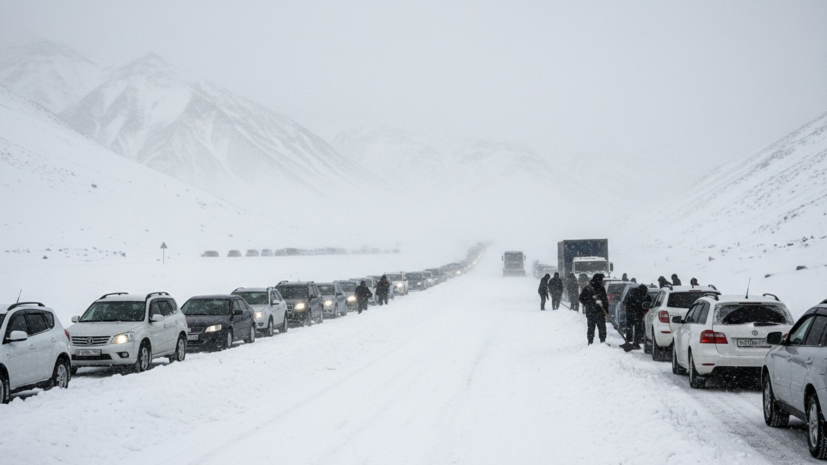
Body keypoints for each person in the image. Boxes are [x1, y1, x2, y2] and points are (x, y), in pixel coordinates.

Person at [579, 273, 609, 345]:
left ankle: (590, 342)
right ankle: (602, 342)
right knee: (601, 328)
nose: (602, 281)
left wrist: (587, 304)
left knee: (591, 328)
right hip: (599, 312)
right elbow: (605, 301)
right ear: (598, 280)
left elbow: (581, 298)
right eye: (601, 279)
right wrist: (606, 310)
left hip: (591, 312)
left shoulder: (587, 288)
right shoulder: (600, 288)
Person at [622, 284, 650, 349]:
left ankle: (628, 341)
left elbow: (625, 302)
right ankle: (635, 343)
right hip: (637, 314)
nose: (645, 293)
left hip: (630, 313)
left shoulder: (631, 293)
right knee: (638, 329)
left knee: (629, 328)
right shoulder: (639, 295)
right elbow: (640, 304)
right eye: (645, 291)